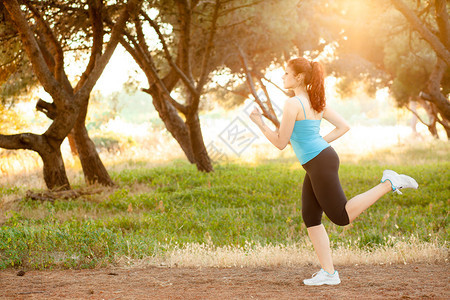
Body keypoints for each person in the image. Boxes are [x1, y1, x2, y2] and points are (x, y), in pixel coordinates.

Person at [249, 57, 418, 286]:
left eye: (286, 73)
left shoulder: (293, 104)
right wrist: (319, 143)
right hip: (319, 160)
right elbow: (343, 127)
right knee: (310, 217)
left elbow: (280, 142)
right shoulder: (315, 100)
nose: (283, 77)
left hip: (319, 162)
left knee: (341, 216)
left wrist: (259, 122)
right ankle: (329, 273)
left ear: (298, 77)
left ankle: (389, 182)